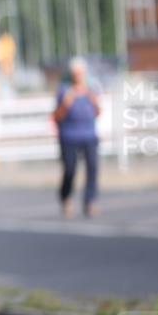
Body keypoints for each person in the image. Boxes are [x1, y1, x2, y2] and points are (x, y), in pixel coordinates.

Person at [53, 57, 101, 218]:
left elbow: (98, 112)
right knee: (70, 169)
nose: (78, 76)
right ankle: (66, 197)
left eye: (81, 73)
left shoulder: (91, 89)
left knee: (92, 168)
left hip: (89, 134)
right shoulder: (64, 90)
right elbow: (57, 116)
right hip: (69, 136)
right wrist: (67, 102)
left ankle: (90, 201)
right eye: (76, 73)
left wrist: (94, 101)